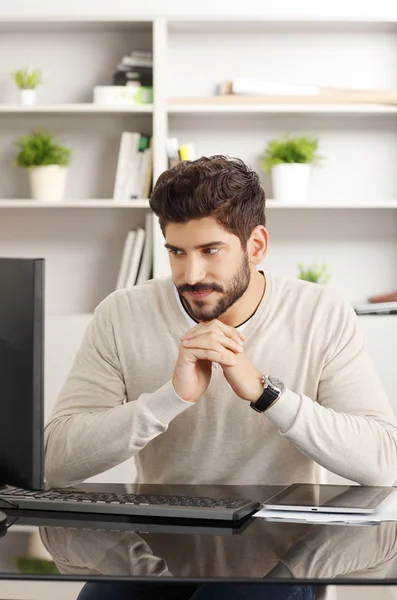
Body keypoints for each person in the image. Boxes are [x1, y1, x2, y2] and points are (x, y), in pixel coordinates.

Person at [45, 155, 397, 490]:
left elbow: (383, 463)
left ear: (255, 246)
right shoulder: (121, 315)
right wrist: (169, 400)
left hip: (289, 541)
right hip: (164, 540)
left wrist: (267, 394)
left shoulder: (321, 313)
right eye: (177, 252)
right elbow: (55, 462)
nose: (191, 275)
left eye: (210, 251)